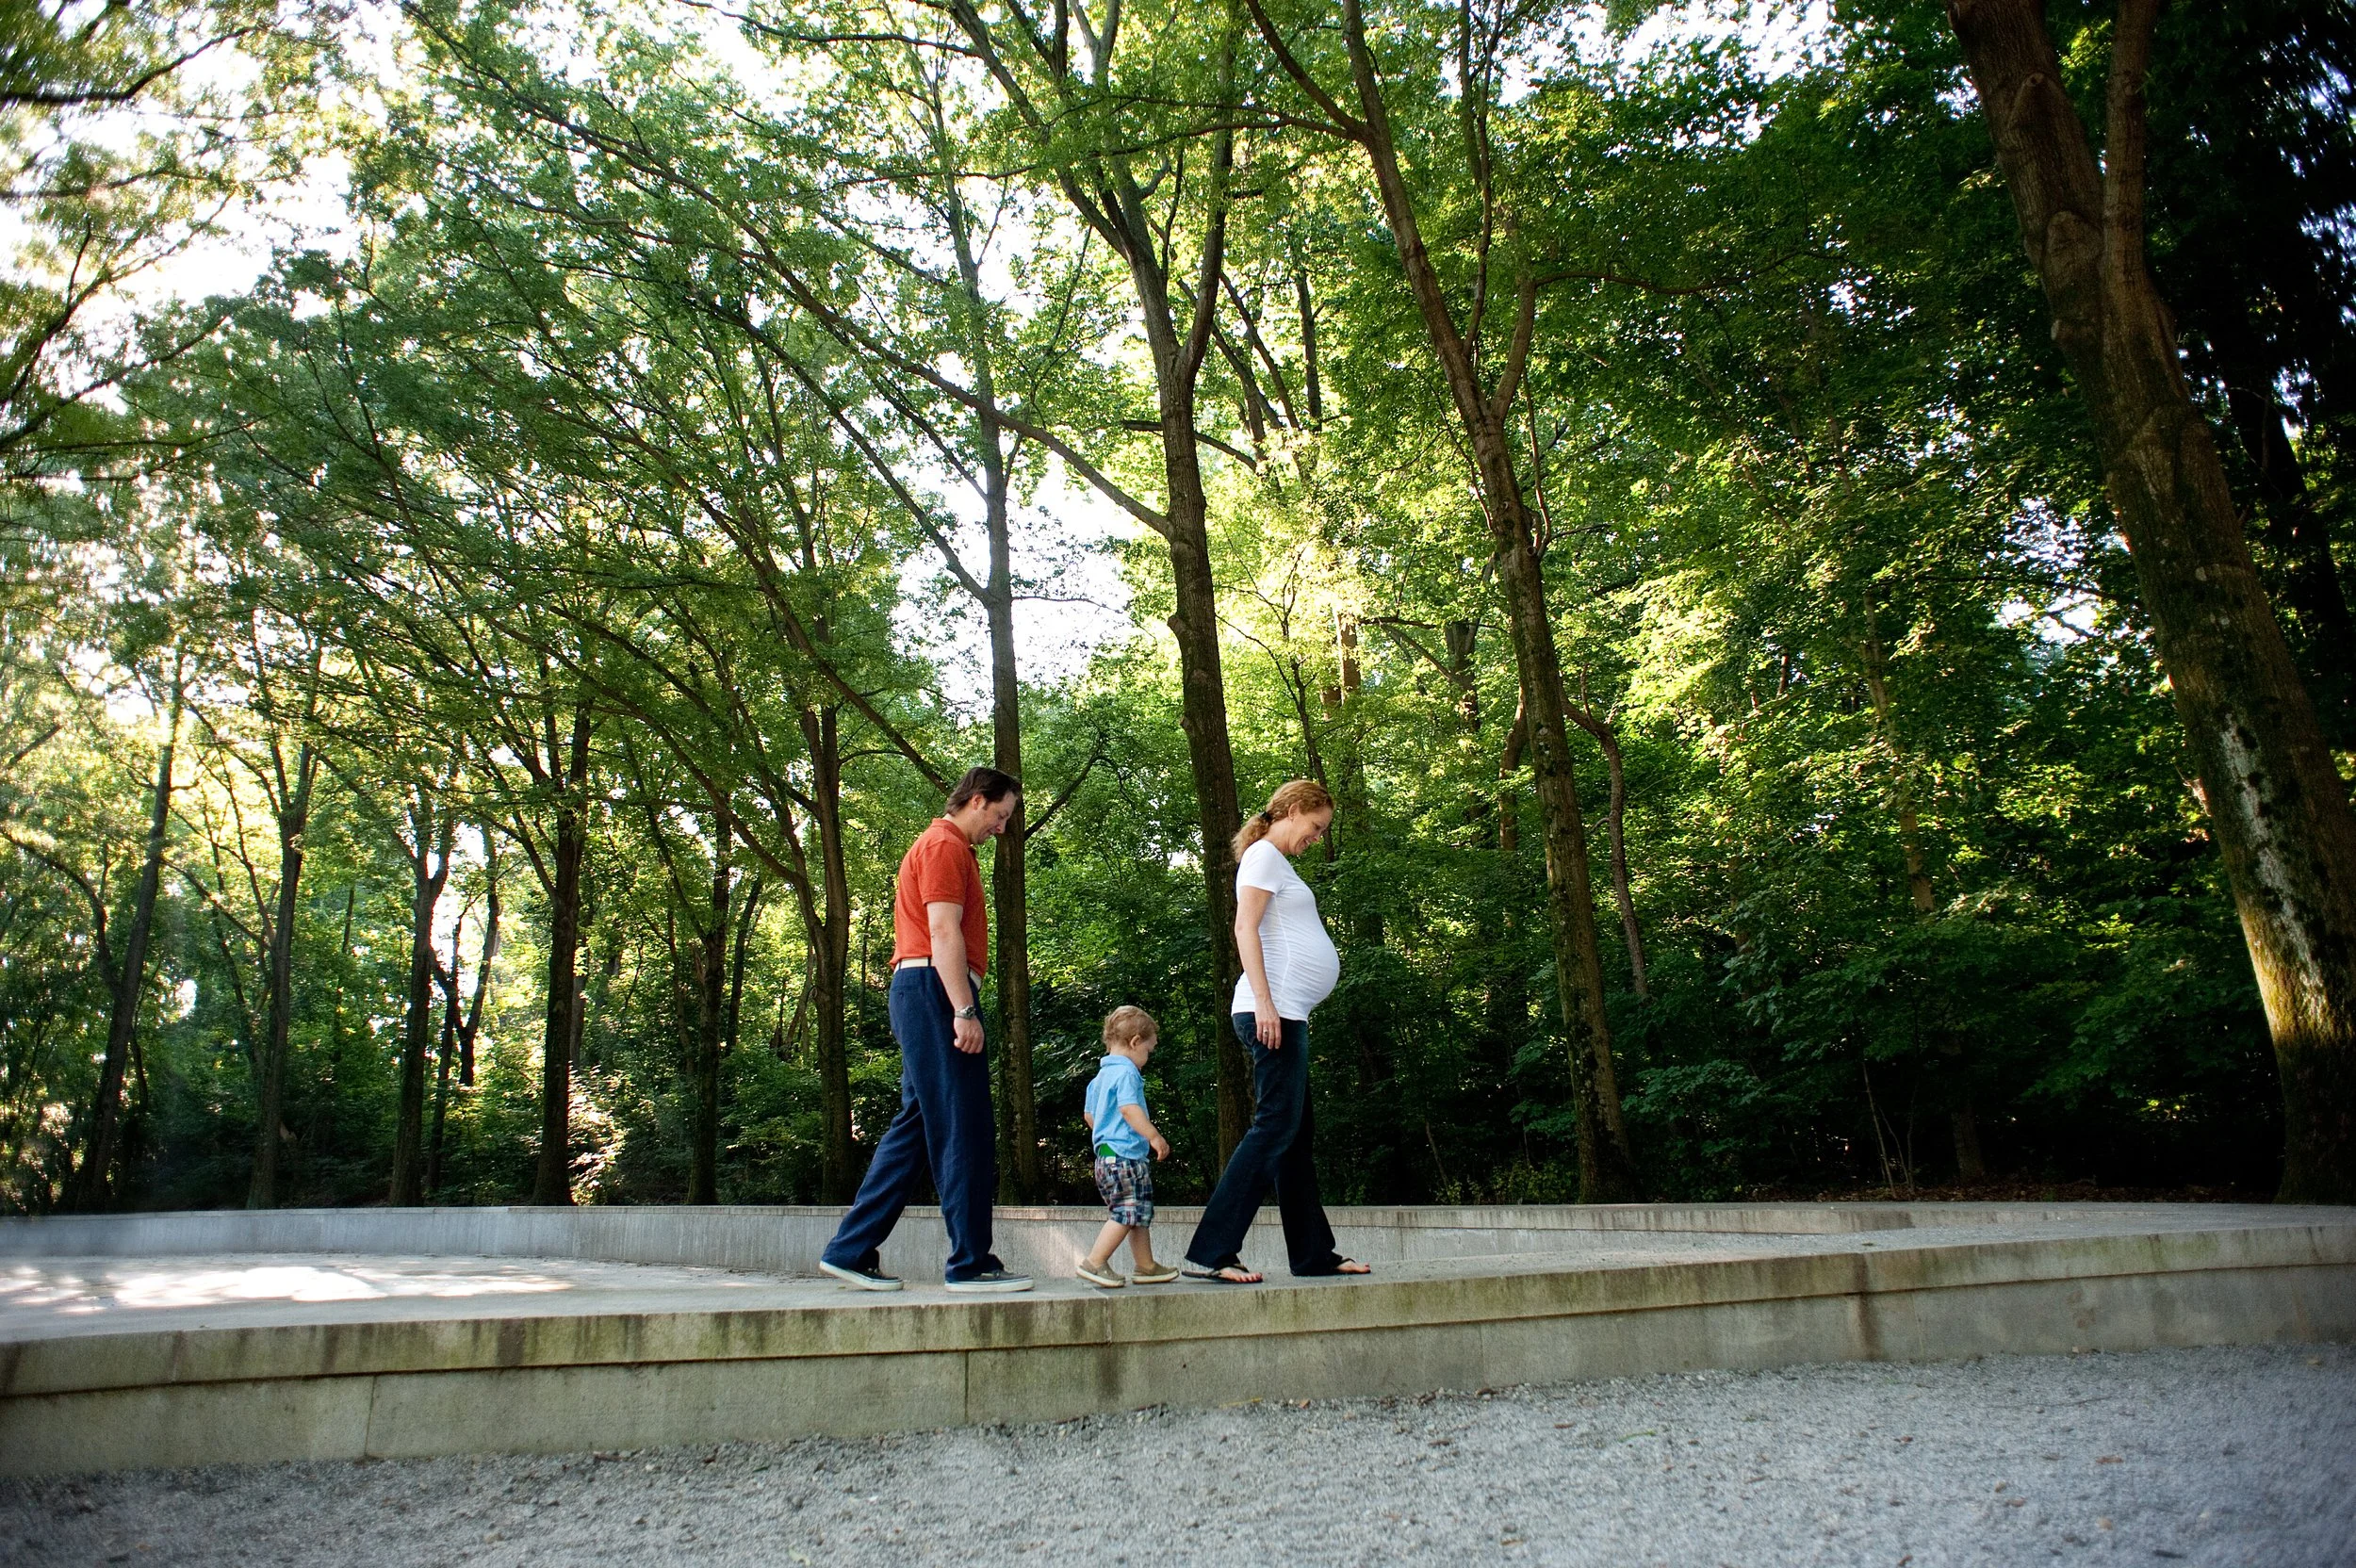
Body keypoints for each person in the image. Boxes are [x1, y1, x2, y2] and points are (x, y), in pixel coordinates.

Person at [818, 767, 1033, 1293]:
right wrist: (964, 1008)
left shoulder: (945, 847)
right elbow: (942, 930)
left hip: (926, 990)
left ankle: (850, 1250)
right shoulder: (945, 846)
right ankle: (970, 1264)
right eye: (1001, 816)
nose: (1002, 829)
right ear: (978, 801)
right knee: (965, 1125)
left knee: (917, 1127)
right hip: (936, 991)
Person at [1183, 780, 1373, 1284]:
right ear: (1292, 811)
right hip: (1273, 1012)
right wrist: (1267, 1003)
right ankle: (1212, 1250)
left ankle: (1313, 1255)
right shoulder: (1264, 856)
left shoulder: (1275, 861)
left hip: (1287, 1010)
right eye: (1316, 827)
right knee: (1274, 1129)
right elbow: (1245, 928)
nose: (1317, 837)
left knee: (1293, 1136)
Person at [1076, 1005, 1181, 1289]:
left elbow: (1090, 1116)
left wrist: (1106, 1133)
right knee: (1126, 1213)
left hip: (1107, 1159)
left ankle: (1146, 1266)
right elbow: (1129, 1109)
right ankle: (1095, 1262)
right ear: (1135, 1042)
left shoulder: (1099, 1078)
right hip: (1125, 1159)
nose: (1147, 1056)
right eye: (1148, 1049)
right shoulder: (1127, 1074)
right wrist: (1153, 1136)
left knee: (1139, 1212)